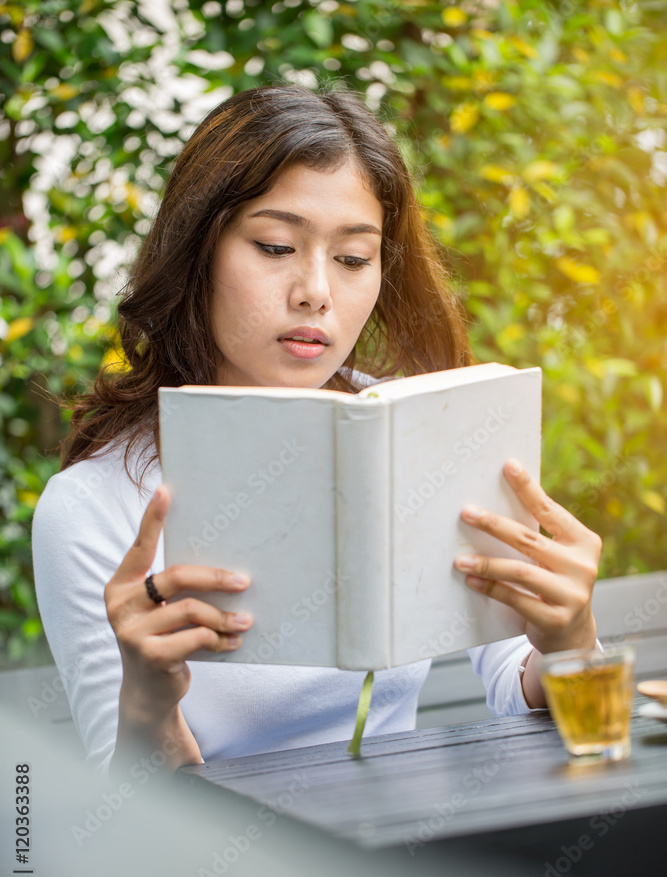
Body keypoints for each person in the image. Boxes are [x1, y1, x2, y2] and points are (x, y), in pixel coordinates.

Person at [31, 82, 602, 779]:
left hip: (414, 851)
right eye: (274, 246)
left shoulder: (405, 432)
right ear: (198, 251)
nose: (315, 291)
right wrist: (147, 706)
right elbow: (134, 821)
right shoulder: (94, 505)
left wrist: (569, 640)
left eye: (353, 258)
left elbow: (518, 688)